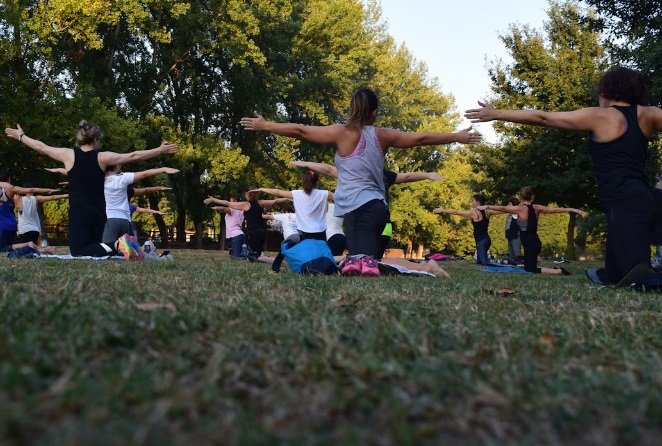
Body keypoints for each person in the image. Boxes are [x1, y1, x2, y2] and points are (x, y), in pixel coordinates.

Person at [241, 90, 481, 277]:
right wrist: (456, 136)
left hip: (360, 210)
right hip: (378, 210)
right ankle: (422, 267)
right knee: (362, 261)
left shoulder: (342, 133)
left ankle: (427, 268)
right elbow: (420, 138)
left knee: (364, 263)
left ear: (352, 109)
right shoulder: (383, 135)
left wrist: (266, 126)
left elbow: (301, 131)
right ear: (374, 113)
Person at [465, 66, 662, 285]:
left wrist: (497, 114)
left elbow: (544, 118)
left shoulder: (601, 116)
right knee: (614, 276)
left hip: (625, 205)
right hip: (642, 200)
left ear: (606, 92)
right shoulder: (649, 114)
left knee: (640, 277)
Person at [5, 121, 178, 257]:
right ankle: (129, 247)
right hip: (99, 213)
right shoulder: (103, 157)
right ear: (95, 140)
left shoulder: (68, 155)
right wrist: (159, 150)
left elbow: (41, 147)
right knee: (96, 251)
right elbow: (133, 156)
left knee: (78, 252)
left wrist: (22, 136)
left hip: (80, 214)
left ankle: (119, 244)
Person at [289, 159, 444, 258]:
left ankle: (368, 263)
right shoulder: (385, 175)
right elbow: (407, 177)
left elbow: (329, 170)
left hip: (363, 220)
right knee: (377, 254)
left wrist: (306, 164)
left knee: (363, 256)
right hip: (385, 221)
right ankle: (375, 263)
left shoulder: (356, 173)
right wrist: (427, 174)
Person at [478, 186, 584, 275]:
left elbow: (502, 208)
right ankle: (557, 270)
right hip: (534, 242)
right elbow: (555, 210)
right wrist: (572, 209)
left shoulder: (519, 209)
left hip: (530, 243)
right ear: (532, 197)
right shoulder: (537, 207)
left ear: (520, 197)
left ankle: (560, 271)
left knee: (530, 269)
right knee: (528, 267)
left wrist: (487, 206)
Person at [102, 165, 179, 246]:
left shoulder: (98, 181)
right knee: (124, 251)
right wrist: (163, 169)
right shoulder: (122, 179)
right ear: (116, 167)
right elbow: (144, 176)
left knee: (107, 249)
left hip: (109, 219)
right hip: (125, 220)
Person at [204, 189, 288, 257]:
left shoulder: (245, 205)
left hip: (253, 232)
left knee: (253, 255)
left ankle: (259, 257)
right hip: (261, 232)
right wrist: (289, 198)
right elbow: (276, 201)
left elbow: (227, 203)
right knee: (257, 253)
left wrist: (214, 199)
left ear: (248, 195)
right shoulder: (261, 203)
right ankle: (259, 255)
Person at [252, 170, 332, 241]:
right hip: (320, 231)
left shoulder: (297, 194)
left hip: (304, 232)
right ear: (317, 182)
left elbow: (278, 192)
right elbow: (340, 197)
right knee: (320, 255)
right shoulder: (324, 193)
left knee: (306, 255)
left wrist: (262, 189)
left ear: (304, 182)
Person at [433, 194, 500, 265]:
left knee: (484, 263)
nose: (471, 202)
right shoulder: (488, 211)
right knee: (479, 261)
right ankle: (494, 260)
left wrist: (443, 210)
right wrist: (510, 208)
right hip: (486, 240)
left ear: (478, 202)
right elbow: (502, 210)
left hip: (482, 242)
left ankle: (504, 261)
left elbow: (456, 212)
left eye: (473, 200)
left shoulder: (474, 212)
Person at [263, 204, 299, 273]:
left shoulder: (283, 215)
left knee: (282, 252)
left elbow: (270, 216)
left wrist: (257, 215)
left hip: (290, 237)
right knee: (295, 253)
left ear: (284, 211)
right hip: (298, 236)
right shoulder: (296, 215)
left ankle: (274, 269)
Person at [209, 194, 247, 259]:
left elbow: (224, 209)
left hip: (235, 235)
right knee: (234, 254)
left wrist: (216, 208)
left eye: (231, 201)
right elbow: (224, 209)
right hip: (239, 234)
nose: (229, 203)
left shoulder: (233, 210)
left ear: (236, 202)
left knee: (237, 256)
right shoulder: (242, 211)